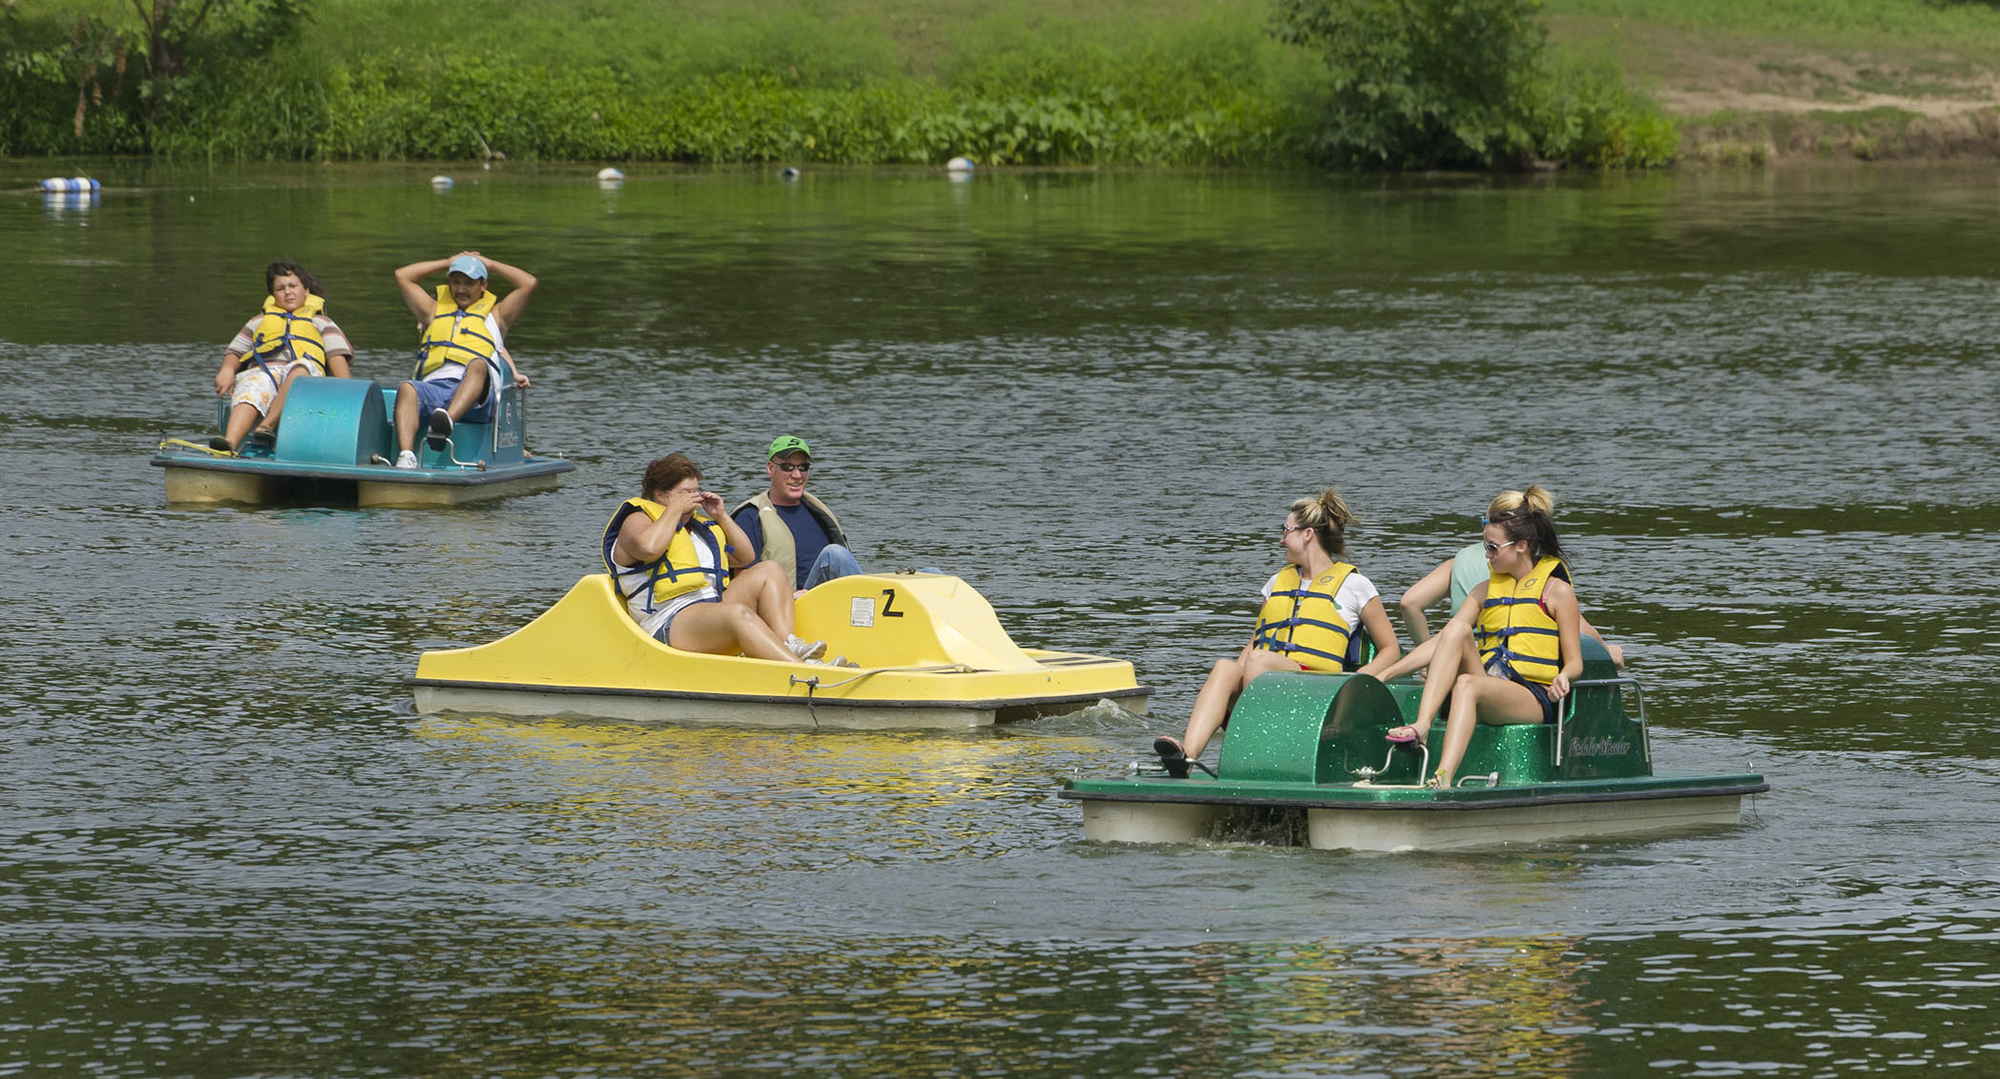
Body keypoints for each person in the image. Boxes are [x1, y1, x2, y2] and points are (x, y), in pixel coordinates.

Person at [1153, 487, 1401, 777]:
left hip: (1318, 690)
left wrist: (1355, 687)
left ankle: (1256, 756)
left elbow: (1391, 649)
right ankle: (1187, 758)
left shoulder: (1355, 586)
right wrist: (1234, 677)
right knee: (1225, 667)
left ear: (1308, 534)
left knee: (1259, 661)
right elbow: (1256, 642)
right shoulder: (1276, 583)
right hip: (1266, 682)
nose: (1281, 539)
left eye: (1286, 530)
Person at [1384, 485, 1582, 789]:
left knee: (1466, 683)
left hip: (1531, 695)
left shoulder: (1557, 592)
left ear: (1521, 546)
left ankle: (1443, 778)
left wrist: (1564, 678)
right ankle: (1422, 725)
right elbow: (1444, 640)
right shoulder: (1483, 590)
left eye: (1492, 548)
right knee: (1458, 628)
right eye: (1484, 546)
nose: (1486, 555)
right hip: (1490, 680)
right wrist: (1389, 672)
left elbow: (1574, 662)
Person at [1360, 492, 1622, 682]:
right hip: (1497, 673)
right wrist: (1608, 654)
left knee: (1458, 648)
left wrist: (1429, 659)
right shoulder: (1535, 577)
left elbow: (1410, 603)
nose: (1488, 555)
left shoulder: (1460, 560)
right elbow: (1580, 628)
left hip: (1463, 665)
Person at [604, 453, 834, 664]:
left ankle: (787, 645)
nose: (693, 501)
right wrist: (673, 511)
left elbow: (746, 557)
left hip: (711, 612)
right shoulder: (637, 520)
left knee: (769, 570)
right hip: (668, 622)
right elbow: (649, 548)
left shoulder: (697, 528)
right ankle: (803, 671)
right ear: (661, 495)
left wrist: (721, 516)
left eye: (696, 492)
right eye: (685, 494)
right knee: (737, 614)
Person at [389, 251, 536, 469]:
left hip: (477, 397)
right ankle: (407, 456)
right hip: (437, 388)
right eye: (455, 282)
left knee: (478, 364)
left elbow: (528, 283)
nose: (460, 289)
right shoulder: (432, 311)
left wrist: (492, 264)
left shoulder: (496, 316)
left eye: (468, 283)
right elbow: (402, 275)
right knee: (407, 388)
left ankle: (445, 424)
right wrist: (447, 262)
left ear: (483, 285)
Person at [210, 259, 353, 453]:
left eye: (293, 286)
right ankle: (229, 444)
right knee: (253, 384)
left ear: (306, 290)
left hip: (306, 374)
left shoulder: (321, 323)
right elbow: (235, 352)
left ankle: (266, 426)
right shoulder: (258, 322)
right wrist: (226, 370)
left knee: (300, 369)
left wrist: (346, 392)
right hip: (266, 371)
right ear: (272, 295)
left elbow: (338, 361)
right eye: (280, 288)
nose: (288, 292)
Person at [731, 435, 863, 592]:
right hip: (786, 606)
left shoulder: (815, 510)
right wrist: (787, 598)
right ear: (770, 469)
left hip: (828, 601)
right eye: (787, 467)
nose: (796, 475)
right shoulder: (750, 516)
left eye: (803, 467)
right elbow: (742, 580)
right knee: (835, 555)